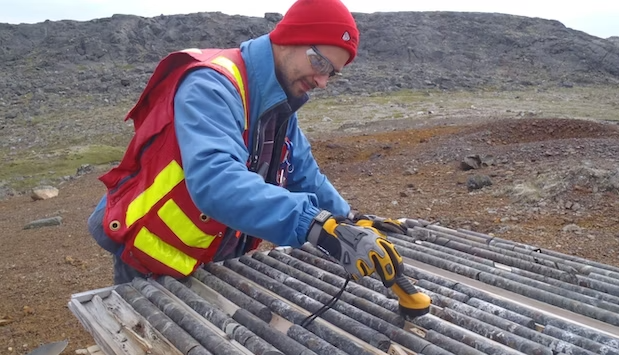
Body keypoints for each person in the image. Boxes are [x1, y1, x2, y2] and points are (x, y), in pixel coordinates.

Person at [88, 0, 407, 286]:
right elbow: (216, 181)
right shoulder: (212, 84)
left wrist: (348, 219)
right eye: (320, 63)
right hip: (151, 251)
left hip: (210, 255)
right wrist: (313, 224)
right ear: (290, 38)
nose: (322, 81)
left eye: (332, 74)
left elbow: (302, 174)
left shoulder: (279, 100)